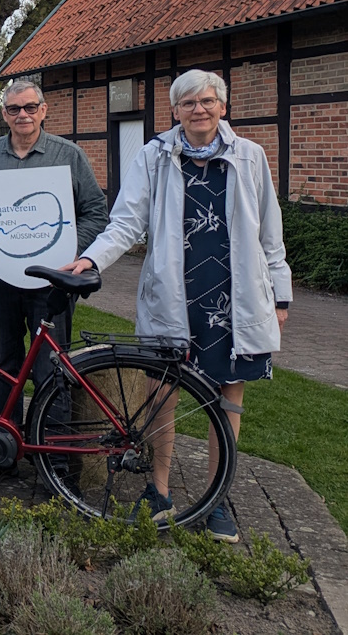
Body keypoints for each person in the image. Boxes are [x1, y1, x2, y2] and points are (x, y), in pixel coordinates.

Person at [61, 69, 291, 543]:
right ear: (175, 111)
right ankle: (159, 490)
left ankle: (216, 497)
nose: (198, 110)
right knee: (160, 395)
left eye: (207, 101)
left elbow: (271, 231)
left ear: (222, 107)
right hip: (174, 296)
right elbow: (126, 222)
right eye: (188, 103)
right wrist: (90, 258)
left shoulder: (250, 157)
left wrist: (280, 292)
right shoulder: (154, 156)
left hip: (235, 297)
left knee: (227, 399)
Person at [0, 79, 110, 485]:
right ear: (4, 113)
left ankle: (52, 462)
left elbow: (96, 212)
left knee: (52, 369)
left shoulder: (69, 155)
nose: (22, 115)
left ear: (43, 110)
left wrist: (66, 249)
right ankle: (1, 453)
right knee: (4, 365)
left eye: (29, 107)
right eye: (13, 109)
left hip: (52, 283)